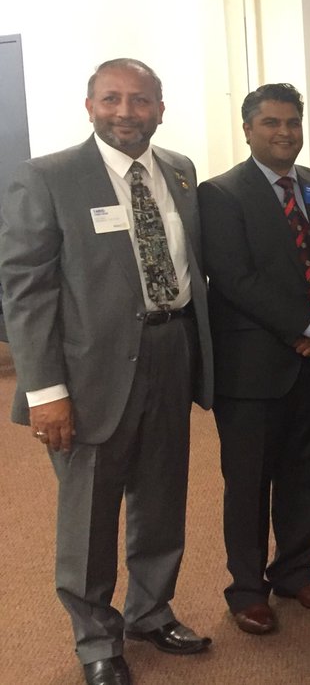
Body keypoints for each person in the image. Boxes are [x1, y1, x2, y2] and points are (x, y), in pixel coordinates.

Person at [0, 58, 214, 685]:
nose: (127, 112)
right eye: (113, 99)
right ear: (89, 105)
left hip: (171, 351)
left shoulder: (178, 172)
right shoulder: (49, 177)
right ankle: (95, 638)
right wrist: (44, 391)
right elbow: (26, 291)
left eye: (141, 101)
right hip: (88, 372)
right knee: (90, 511)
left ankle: (150, 609)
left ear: (160, 108)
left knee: (162, 494)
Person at [198, 83, 310, 635]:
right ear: (247, 129)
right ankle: (247, 589)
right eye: (270, 123)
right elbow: (235, 278)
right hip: (251, 367)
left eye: (292, 122)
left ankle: (295, 570)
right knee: (248, 482)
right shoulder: (220, 193)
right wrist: (308, 325)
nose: (284, 132)